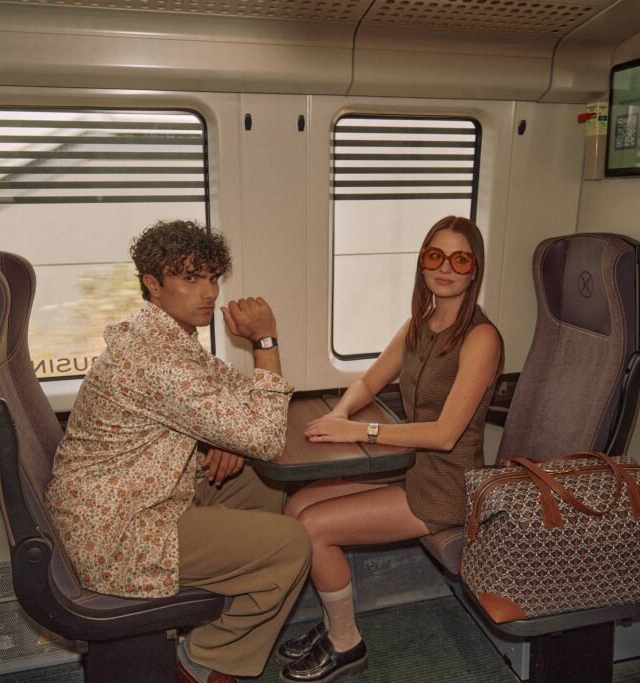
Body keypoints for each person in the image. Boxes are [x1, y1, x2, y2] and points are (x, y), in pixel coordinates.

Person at [44, 219, 311, 683]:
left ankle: (216, 606)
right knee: (292, 545)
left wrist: (224, 436)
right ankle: (203, 660)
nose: (208, 292)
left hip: (134, 493)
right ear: (153, 284)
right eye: (190, 278)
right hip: (118, 530)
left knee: (260, 483)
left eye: (212, 278)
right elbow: (266, 436)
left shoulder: (166, 338)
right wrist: (264, 340)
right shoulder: (157, 360)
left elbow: (236, 398)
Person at [277, 216, 502, 683]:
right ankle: (333, 621)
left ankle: (347, 642)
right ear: (422, 263)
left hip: (445, 485)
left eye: (460, 260)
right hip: (408, 467)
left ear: (474, 270)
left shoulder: (481, 338)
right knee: (296, 505)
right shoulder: (419, 325)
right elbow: (370, 381)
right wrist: (340, 415)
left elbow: (445, 435)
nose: (446, 268)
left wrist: (362, 432)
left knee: (314, 528)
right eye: (435, 256)